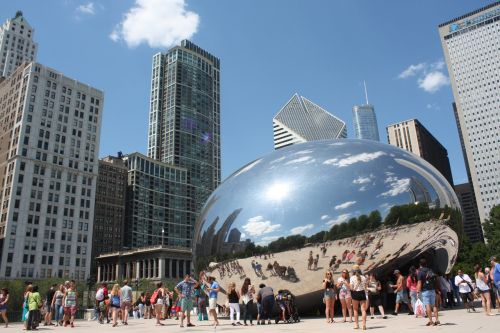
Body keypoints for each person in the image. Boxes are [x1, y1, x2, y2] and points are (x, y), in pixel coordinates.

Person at [417, 258, 440, 326]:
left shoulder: (420, 272)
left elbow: (419, 282)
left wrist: (418, 292)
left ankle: (431, 321)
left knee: (427, 305)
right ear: (426, 264)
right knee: (434, 305)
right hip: (432, 289)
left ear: (420, 264)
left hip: (425, 290)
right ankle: (437, 320)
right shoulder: (430, 270)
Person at [349, 265, 367, 330]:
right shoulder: (363, 277)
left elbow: (351, 288)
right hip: (362, 293)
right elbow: (365, 288)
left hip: (355, 294)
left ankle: (356, 325)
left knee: (355, 310)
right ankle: (364, 324)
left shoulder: (352, 278)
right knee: (363, 310)